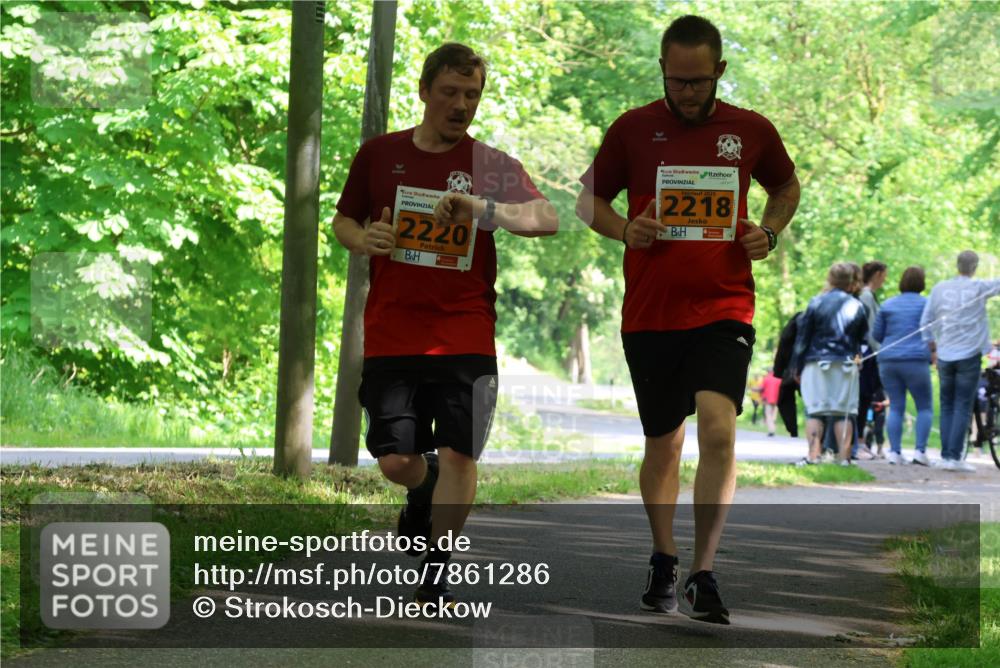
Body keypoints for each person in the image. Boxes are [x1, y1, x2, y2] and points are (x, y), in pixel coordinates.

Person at [575, 15, 800, 625]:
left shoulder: (750, 131)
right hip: (650, 311)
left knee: (718, 428)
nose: (687, 93)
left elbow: (786, 186)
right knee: (663, 441)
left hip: (725, 305)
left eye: (698, 82)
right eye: (677, 81)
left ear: (720, 71)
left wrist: (769, 234)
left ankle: (704, 569)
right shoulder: (633, 129)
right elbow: (588, 201)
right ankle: (664, 557)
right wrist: (626, 228)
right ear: (663, 72)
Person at [333, 43, 557, 606]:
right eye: (451, 93)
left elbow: (546, 218)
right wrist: (365, 240)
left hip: (466, 332)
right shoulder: (380, 155)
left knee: (461, 453)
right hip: (393, 332)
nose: (462, 105)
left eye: (472, 95)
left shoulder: (490, 165)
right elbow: (344, 220)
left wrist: (485, 209)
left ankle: (437, 568)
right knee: (395, 461)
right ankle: (422, 487)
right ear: (425, 91)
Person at [921, 250, 1000, 471]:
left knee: (947, 405)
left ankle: (947, 455)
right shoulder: (979, 287)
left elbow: (925, 321)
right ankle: (954, 458)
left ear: (957, 265)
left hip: (945, 354)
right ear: (974, 267)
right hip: (969, 355)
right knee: (962, 406)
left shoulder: (939, 289)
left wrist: (933, 348)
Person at [791, 263, 868, 466]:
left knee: (815, 410)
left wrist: (796, 367)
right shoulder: (857, 305)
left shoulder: (816, 302)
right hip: (846, 363)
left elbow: (803, 339)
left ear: (830, 279)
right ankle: (844, 459)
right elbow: (862, 340)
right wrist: (858, 360)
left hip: (817, 362)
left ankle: (813, 456)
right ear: (851, 281)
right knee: (844, 412)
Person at [872, 266, 934, 465]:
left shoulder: (888, 304)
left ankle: (894, 452)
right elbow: (933, 333)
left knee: (896, 406)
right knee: (924, 406)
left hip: (889, 361)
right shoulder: (927, 304)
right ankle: (919, 452)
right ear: (922, 283)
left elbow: (876, 335)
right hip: (916, 360)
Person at [773, 311, 803, 437]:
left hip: (790, 372)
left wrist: (778, 371)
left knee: (784, 398)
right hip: (800, 370)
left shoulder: (788, 334)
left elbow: (782, 349)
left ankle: (793, 430)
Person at [761, 368, 781, 436]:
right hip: (777, 399)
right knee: (773, 415)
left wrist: (752, 389)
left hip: (768, 399)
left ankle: (771, 430)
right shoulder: (779, 378)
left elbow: (762, 388)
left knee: (768, 414)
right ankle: (772, 428)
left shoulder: (766, 378)